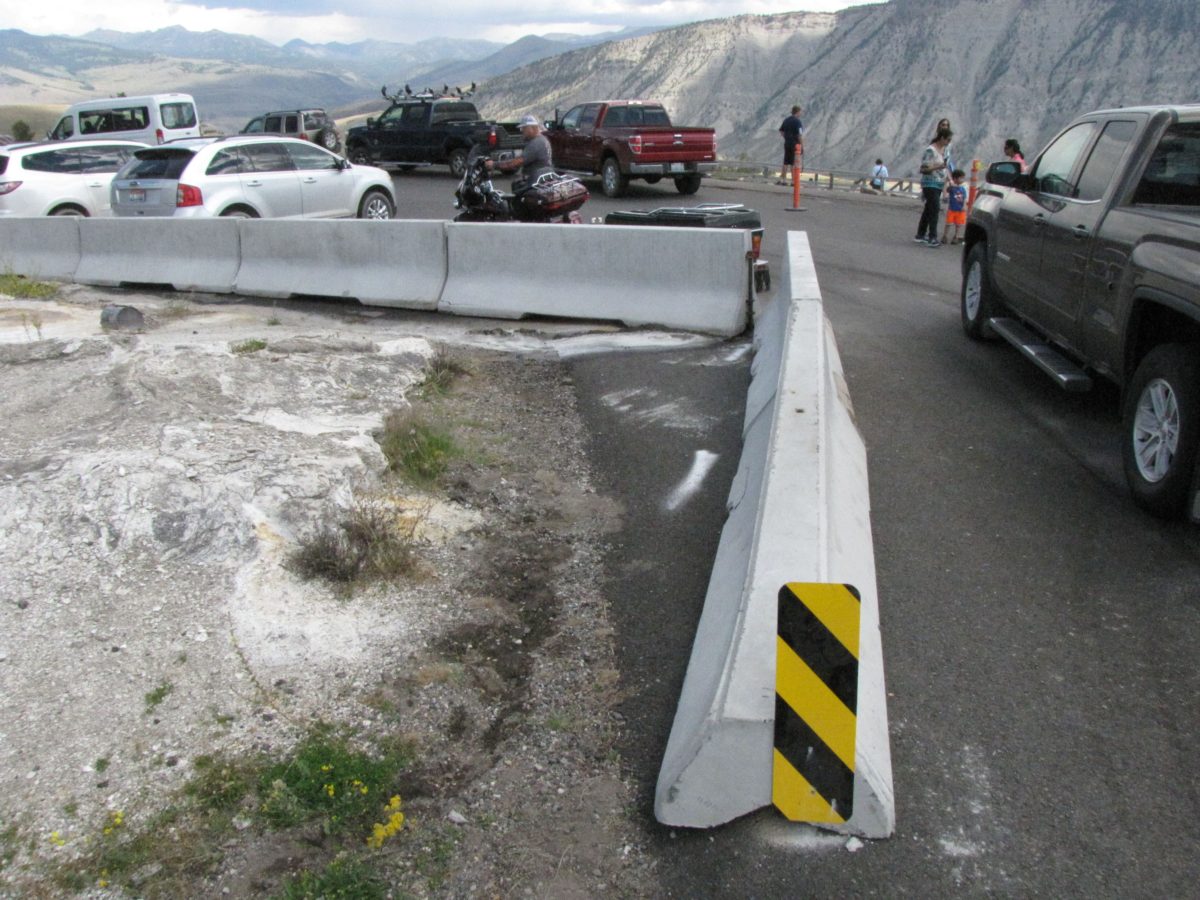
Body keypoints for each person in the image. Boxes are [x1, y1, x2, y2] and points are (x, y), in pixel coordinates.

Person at [487, 114, 553, 191]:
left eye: (523, 129)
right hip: (542, 177)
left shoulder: (536, 144)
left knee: (516, 189)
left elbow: (515, 163)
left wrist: (494, 164)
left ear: (530, 128)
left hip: (534, 181)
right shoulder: (543, 139)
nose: (522, 131)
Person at [915, 127, 952, 246]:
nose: (948, 142)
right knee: (935, 208)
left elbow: (946, 166)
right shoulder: (931, 150)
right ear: (941, 138)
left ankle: (920, 234)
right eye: (947, 140)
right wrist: (938, 167)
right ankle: (932, 236)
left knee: (929, 208)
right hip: (930, 183)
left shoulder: (944, 151)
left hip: (939, 183)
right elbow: (924, 168)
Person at [777, 105, 804, 185]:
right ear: (798, 112)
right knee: (793, 162)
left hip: (787, 143)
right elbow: (799, 135)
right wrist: (802, 145)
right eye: (800, 112)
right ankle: (793, 181)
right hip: (795, 144)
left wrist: (786, 137)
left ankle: (783, 179)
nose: (801, 114)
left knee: (786, 162)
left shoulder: (786, 120)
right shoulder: (798, 122)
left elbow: (781, 131)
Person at [941, 168, 968, 245]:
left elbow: (965, 198)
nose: (962, 180)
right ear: (955, 178)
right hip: (952, 209)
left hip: (960, 210)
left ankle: (956, 236)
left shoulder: (963, 188)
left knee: (958, 225)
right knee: (948, 223)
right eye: (961, 178)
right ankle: (945, 236)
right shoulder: (952, 188)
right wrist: (947, 182)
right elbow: (946, 192)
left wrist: (964, 205)